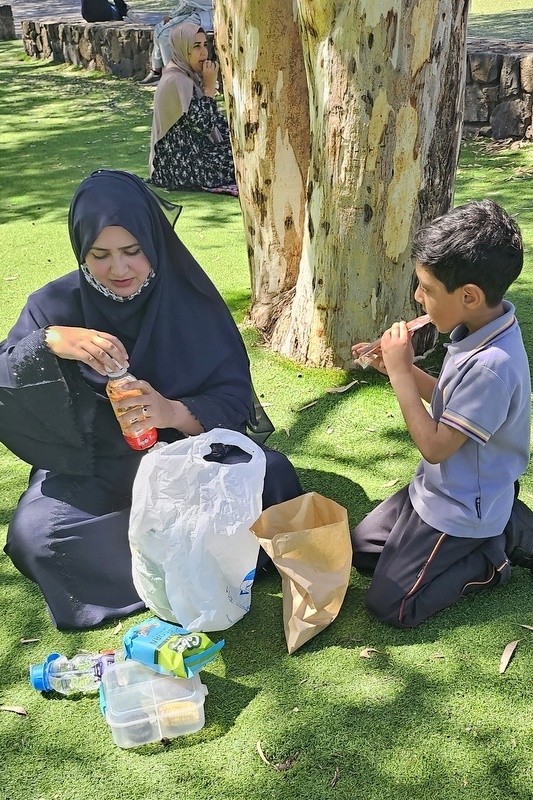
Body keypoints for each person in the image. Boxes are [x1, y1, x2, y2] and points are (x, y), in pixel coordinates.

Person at [1, 169, 302, 630]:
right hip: (95, 469)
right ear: (81, 250)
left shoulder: (190, 301)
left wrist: (171, 412)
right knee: (37, 536)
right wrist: (47, 343)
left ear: (153, 244)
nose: (119, 270)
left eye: (132, 251)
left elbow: (234, 399)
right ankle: (185, 564)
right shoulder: (55, 306)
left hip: (185, 460)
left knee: (272, 478)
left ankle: (177, 557)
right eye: (99, 255)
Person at [351, 199, 533, 628]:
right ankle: (503, 516)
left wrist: (398, 374)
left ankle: (494, 549)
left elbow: (435, 446)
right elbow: (451, 402)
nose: (418, 297)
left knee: (391, 606)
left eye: (427, 288)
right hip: (436, 490)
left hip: (460, 505)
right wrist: (406, 371)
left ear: (469, 295)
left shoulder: (492, 366)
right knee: (360, 552)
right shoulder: (474, 329)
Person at [149, 22, 235, 191]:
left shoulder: (186, 77)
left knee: (239, 148)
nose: (204, 52)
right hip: (177, 166)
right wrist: (209, 88)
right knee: (239, 158)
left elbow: (214, 121)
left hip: (191, 156)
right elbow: (203, 125)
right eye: (196, 46)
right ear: (183, 48)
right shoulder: (177, 80)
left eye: (205, 45)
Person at [138, 0, 214, 86]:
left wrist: (172, 16)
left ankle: (172, 74)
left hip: (206, 15)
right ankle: (156, 72)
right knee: (159, 27)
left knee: (165, 33)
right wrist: (172, 16)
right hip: (194, 12)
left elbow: (189, 3)